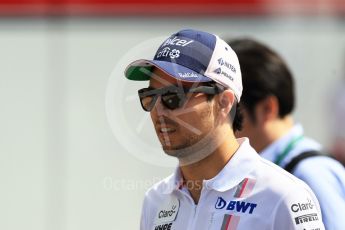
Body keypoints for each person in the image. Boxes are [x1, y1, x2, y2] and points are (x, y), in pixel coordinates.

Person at [124, 29, 325, 230]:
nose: (158, 111)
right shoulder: (156, 200)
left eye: (172, 96)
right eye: (149, 97)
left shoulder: (284, 197)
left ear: (224, 102)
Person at [228, 38, 345, 230]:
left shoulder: (310, 172)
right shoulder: (270, 166)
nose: (218, 123)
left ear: (267, 108)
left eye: (227, 110)